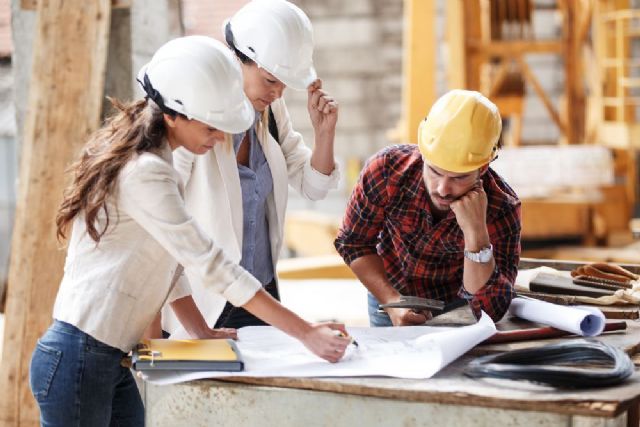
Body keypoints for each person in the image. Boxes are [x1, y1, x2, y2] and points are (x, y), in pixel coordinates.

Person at [29, 36, 349, 427]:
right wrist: (306, 332)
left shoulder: (161, 163)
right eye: (213, 127)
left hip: (104, 356)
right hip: (79, 357)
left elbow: (173, 262)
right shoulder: (146, 174)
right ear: (173, 115)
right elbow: (209, 262)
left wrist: (199, 331)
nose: (219, 139)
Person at [160, 0, 340, 335]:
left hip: (262, 296)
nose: (278, 92)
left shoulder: (271, 111)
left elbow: (313, 187)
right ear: (237, 60)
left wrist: (324, 133)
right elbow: (164, 228)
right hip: (205, 307)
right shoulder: (193, 121)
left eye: (284, 83)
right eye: (271, 80)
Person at [334, 89, 521, 327]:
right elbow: (353, 243)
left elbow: (488, 310)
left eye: (459, 177)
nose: (443, 188)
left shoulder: (502, 207)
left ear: (483, 167)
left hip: (458, 308)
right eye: (434, 171)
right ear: (423, 152)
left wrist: (476, 233)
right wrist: (392, 302)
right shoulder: (387, 170)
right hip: (389, 293)